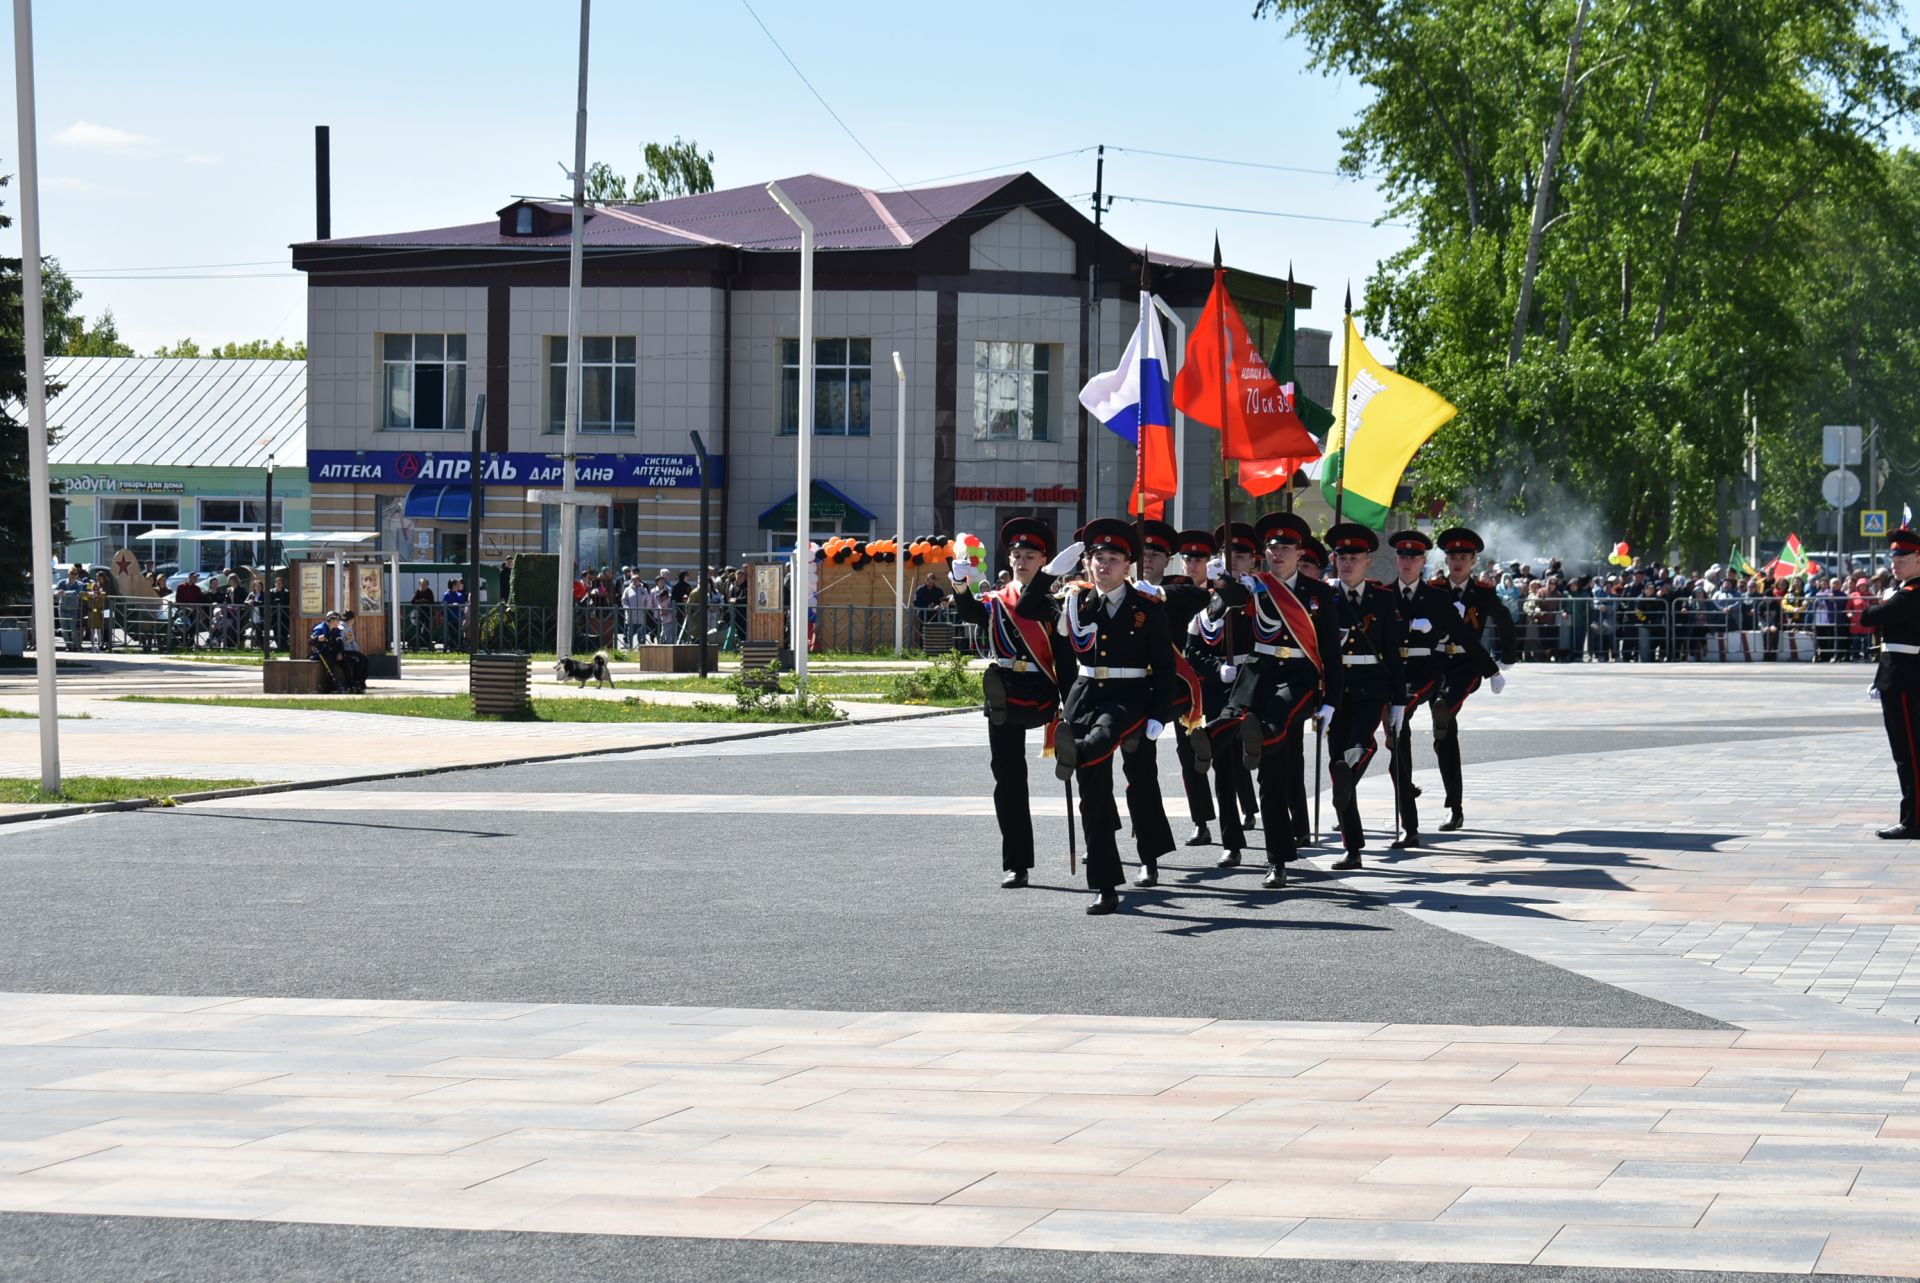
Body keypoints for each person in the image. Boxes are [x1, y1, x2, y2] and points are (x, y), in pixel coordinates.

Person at [1027, 519, 1176, 915]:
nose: (1103, 565)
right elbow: (1027, 608)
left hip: (1130, 698)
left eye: (1113, 558)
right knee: (1091, 792)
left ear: (1128, 564)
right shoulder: (1075, 601)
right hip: (1084, 695)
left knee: (1140, 782)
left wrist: (1161, 715)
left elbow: (1164, 667)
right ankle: (1106, 884)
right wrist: (1047, 575)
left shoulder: (1147, 608)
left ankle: (1149, 854)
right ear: (1087, 564)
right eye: (1097, 558)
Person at [949, 518, 1068, 889]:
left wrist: (1070, 700)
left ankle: (1103, 834)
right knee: (1008, 777)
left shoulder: (1055, 602)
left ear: (1043, 559)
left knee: (1083, 765)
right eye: (1016, 554)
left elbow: (1064, 655)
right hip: (1004, 686)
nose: (1020, 561)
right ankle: (1016, 862)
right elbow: (970, 612)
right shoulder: (998, 599)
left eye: (1029, 555)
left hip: (1041, 685)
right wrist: (959, 582)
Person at [1119, 519, 1198, 887]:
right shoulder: (1114, 589)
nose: (1147, 560)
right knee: (1103, 766)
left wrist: (1159, 594)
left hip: (1169, 688)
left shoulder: (1177, 589)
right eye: (1142, 553)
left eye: (1155, 554)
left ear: (1168, 560)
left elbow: (1201, 596)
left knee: (1143, 770)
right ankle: (1103, 836)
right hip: (1121, 690)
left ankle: (1148, 856)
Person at [1321, 523, 1405, 870]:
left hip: (1371, 683)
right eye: (1342, 557)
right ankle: (1352, 848)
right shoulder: (1323, 596)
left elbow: (1392, 650)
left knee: (1361, 742)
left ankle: (1354, 765)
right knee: (1337, 763)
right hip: (1334, 687)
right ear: (1334, 559)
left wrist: (1399, 698)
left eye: (1354, 557)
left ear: (1368, 561)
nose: (1347, 563)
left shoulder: (1382, 598)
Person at [1383, 529, 1473, 849]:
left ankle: (1448, 808)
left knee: (1441, 732)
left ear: (1424, 561)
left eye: (1414, 557)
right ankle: (1408, 810)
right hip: (1392, 673)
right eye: (1403, 556)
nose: (1408, 562)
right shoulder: (1382, 594)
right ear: (1396, 559)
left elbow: (1464, 635)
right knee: (1396, 743)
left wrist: (1494, 667)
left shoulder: (1436, 597)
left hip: (1428, 673)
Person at [1428, 527, 1515, 832]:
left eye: (1464, 557)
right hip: (1436, 663)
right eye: (1453, 556)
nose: (1457, 562)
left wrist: (1507, 656)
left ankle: (1454, 807)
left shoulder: (1483, 592)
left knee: (1446, 706)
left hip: (1467, 664)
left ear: (1474, 561)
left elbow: (1503, 619)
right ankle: (1455, 807)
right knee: (1444, 737)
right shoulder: (1434, 589)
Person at [1864, 528, 1920, 838]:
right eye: (1893, 557)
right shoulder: (1906, 592)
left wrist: (1885, 599)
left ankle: (1913, 820)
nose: (1895, 562)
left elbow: (1868, 617)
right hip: (1900, 676)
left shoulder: (1911, 594)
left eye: (1902, 557)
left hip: (1904, 679)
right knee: (1908, 753)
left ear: (1918, 559)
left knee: (1908, 752)